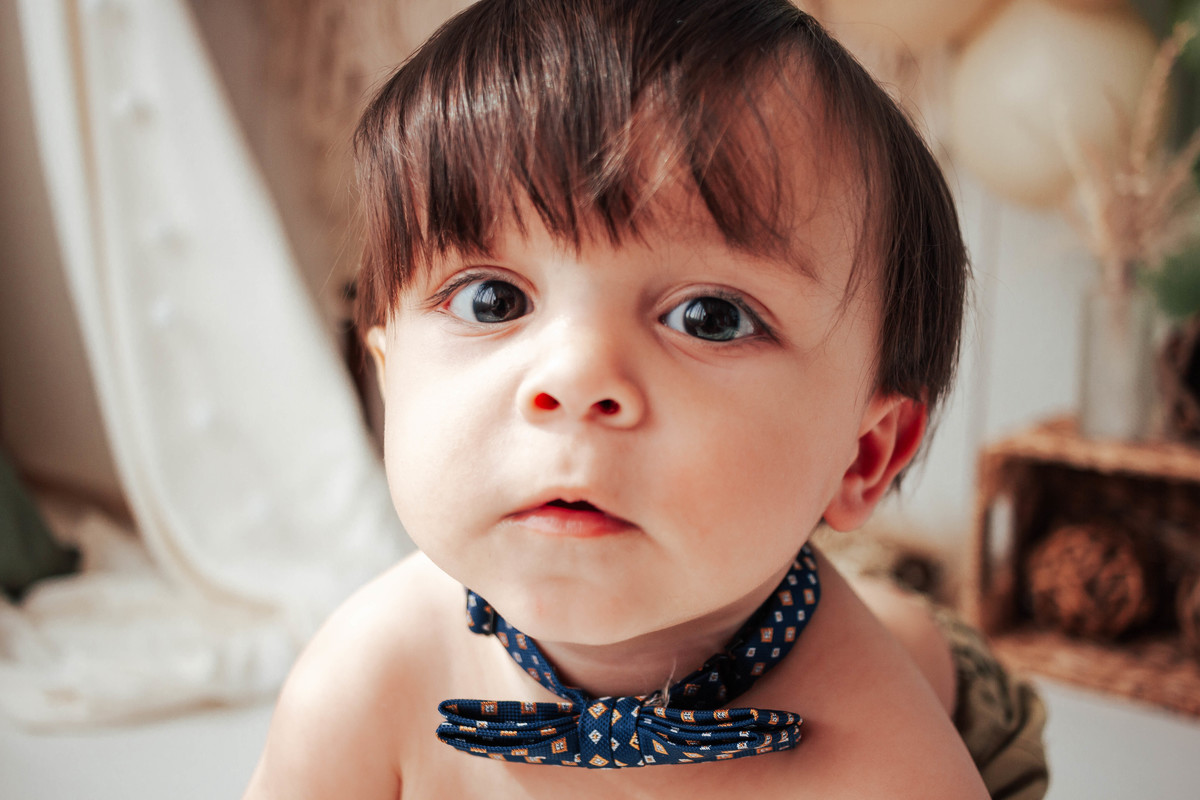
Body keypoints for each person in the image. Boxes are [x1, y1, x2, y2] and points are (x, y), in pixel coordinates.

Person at [244, 1, 1047, 797]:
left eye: (709, 318)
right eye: (492, 300)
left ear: (864, 453)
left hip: (939, 690)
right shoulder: (362, 679)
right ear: (389, 381)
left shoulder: (888, 765)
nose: (574, 378)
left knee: (898, 628)